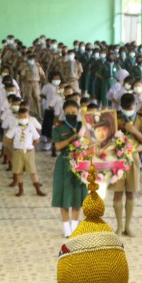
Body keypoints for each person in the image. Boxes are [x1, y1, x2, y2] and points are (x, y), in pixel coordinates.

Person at [111, 93, 142, 237]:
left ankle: (128, 226)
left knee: (131, 192)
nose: (128, 110)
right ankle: (119, 226)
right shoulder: (115, 118)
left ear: (135, 105)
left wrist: (134, 131)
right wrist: (118, 127)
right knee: (117, 192)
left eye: (130, 107)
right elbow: (104, 136)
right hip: (117, 157)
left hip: (133, 157)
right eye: (125, 108)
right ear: (120, 106)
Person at [51, 100, 87, 238]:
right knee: (64, 195)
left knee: (78, 195)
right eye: (68, 112)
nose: (71, 114)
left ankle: (74, 227)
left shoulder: (82, 126)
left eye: (74, 112)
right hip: (65, 162)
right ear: (64, 112)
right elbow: (57, 146)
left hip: (80, 163)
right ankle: (67, 228)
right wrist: (72, 139)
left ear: (78, 112)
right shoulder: (58, 128)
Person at [4, 106, 45, 197]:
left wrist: (30, 145)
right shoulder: (15, 127)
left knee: (32, 171)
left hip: (29, 152)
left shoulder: (31, 126)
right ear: (18, 117)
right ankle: (21, 190)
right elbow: (7, 138)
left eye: (25, 117)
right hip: (18, 152)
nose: (23, 119)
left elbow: (37, 139)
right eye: (21, 117)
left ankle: (38, 189)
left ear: (28, 116)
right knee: (19, 171)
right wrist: (15, 144)